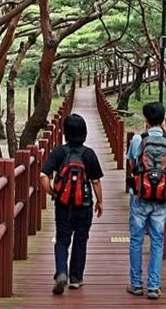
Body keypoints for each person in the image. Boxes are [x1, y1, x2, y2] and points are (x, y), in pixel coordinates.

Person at [39, 113, 104, 295]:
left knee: (62, 239)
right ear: (84, 132)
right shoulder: (89, 154)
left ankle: (61, 272)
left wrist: (52, 191)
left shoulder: (59, 152)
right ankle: (76, 278)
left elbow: (43, 175)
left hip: (63, 205)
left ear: (65, 132)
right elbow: (96, 181)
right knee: (81, 240)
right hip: (83, 205)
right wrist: (100, 202)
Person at [126, 102, 166, 300]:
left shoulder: (138, 139)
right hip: (161, 198)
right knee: (157, 240)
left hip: (140, 195)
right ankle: (154, 286)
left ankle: (136, 283)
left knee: (136, 239)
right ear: (163, 119)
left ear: (146, 120)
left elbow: (132, 163)